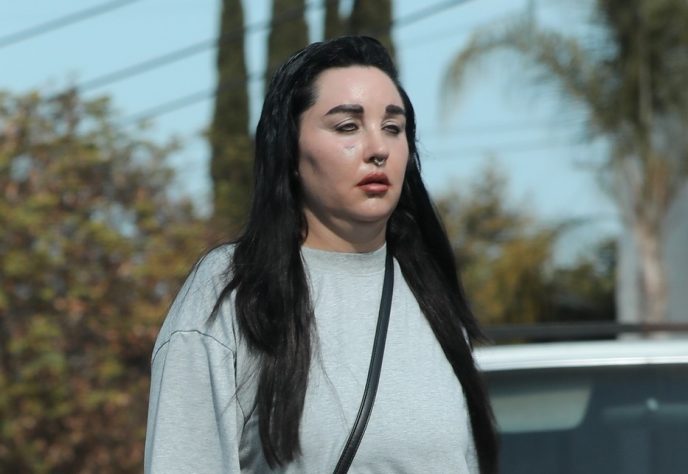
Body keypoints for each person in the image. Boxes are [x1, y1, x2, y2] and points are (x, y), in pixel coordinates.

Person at [144, 36, 498, 473]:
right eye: (347, 127)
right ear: (290, 149)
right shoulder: (235, 290)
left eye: (393, 127)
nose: (378, 149)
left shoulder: (430, 294)